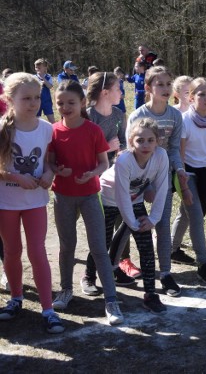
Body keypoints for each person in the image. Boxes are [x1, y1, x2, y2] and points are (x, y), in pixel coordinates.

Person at [47, 79, 123, 325]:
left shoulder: (93, 130)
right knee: (67, 245)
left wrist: (94, 173)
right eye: (60, 103)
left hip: (91, 195)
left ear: (82, 103)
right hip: (62, 197)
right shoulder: (53, 131)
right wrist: (56, 169)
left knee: (99, 247)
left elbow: (104, 162)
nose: (65, 107)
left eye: (70, 102)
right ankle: (66, 290)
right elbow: (49, 162)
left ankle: (111, 301)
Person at [0, 73, 65, 333]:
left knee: (37, 252)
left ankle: (48, 309)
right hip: (6, 202)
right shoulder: (4, 128)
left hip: (36, 201)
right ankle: (16, 299)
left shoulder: (46, 128)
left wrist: (50, 173)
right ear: (9, 99)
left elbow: (49, 160)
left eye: (37, 97)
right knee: (12, 251)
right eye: (26, 98)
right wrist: (14, 176)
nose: (33, 103)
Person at [127, 66, 187, 296]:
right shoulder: (137, 116)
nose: (165, 88)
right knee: (133, 225)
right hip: (138, 180)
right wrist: (146, 184)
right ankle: (121, 266)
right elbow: (130, 151)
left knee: (162, 226)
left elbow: (173, 149)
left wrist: (179, 170)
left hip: (164, 177)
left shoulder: (175, 115)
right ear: (148, 88)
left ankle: (166, 274)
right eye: (159, 84)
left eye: (168, 83)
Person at [103, 118, 169, 313]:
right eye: (140, 140)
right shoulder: (124, 160)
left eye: (150, 140)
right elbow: (121, 195)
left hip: (135, 199)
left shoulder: (161, 156)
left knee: (146, 245)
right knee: (103, 241)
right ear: (131, 141)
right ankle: (90, 276)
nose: (146, 145)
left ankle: (150, 294)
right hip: (108, 197)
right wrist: (132, 222)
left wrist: (152, 220)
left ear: (157, 141)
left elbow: (162, 187)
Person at [169, 78, 206, 284]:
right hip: (185, 172)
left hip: (205, 172)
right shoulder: (184, 121)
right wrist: (183, 185)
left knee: (188, 213)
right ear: (191, 98)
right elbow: (180, 155)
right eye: (201, 94)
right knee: (195, 216)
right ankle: (203, 264)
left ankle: (171, 249)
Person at [81, 72, 128, 296]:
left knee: (124, 223)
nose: (122, 92)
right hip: (90, 180)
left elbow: (124, 143)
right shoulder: (88, 116)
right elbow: (79, 152)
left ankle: (113, 268)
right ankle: (89, 276)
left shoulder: (118, 114)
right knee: (101, 231)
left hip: (113, 179)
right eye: (118, 88)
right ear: (105, 93)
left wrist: (120, 154)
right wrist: (106, 148)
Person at [34, 59, 55, 123]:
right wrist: (39, 84)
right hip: (37, 100)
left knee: (51, 120)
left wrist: (43, 78)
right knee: (35, 119)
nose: (37, 69)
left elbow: (50, 86)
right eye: (36, 67)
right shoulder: (33, 77)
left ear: (45, 67)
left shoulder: (48, 76)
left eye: (39, 68)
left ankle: (55, 131)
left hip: (47, 101)